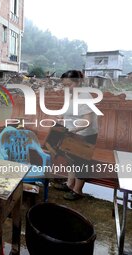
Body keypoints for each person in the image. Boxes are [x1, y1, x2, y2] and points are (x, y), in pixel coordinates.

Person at [53, 70, 98, 200]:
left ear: (78, 82)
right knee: (71, 159)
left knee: (80, 162)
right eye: (64, 85)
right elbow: (69, 111)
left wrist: (73, 130)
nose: (66, 88)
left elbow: (87, 122)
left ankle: (77, 191)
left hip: (84, 134)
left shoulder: (84, 96)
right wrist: (61, 116)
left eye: (69, 85)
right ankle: (69, 184)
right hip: (72, 131)